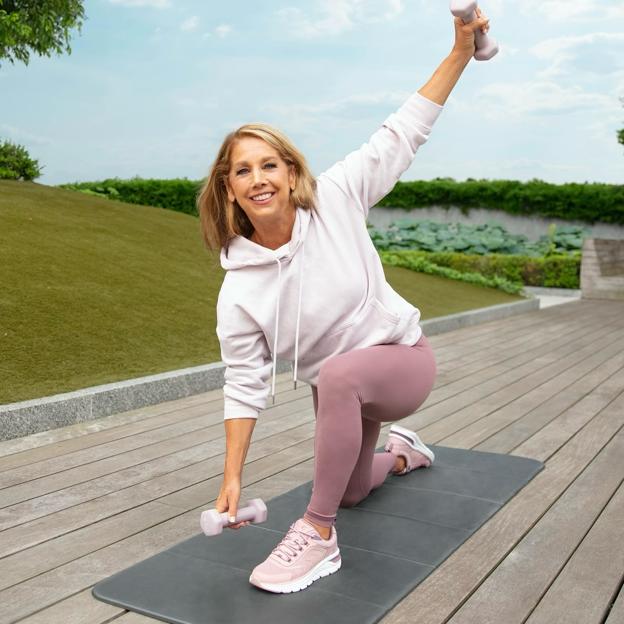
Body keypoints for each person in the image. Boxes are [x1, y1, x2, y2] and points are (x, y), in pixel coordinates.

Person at [196, 7, 491, 594]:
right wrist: (231, 479)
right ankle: (405, 454)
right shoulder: (239, 291)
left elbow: (404, 130)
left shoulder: (335, 195)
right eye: (242, 170)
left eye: (269, 164)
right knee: (353, 489)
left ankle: (318, 534)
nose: (258, 178)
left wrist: (460, 53)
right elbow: (243, 383)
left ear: (290, 170)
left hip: (402, 364)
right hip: (345, 395)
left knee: (333, 388)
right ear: (228, 188)